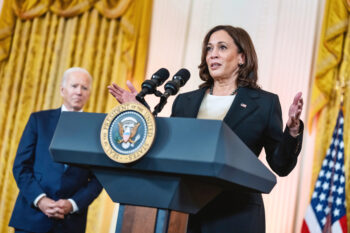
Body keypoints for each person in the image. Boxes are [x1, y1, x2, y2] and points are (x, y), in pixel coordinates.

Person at [108, 25, 304, 233]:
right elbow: (168, 145)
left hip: (236, 215)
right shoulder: (185, 101)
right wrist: (141, 113)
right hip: (185, 212)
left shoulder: (264, 103)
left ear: (242, 58)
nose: (213, 55)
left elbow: (281, 165)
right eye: (209, 49)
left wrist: (292, 130)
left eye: (222, 47)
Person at [9, 67, 103, 233]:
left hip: (70, 223)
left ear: (89, 94)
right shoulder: (39, 120)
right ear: (62, 90)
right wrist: (41, 200)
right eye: (74, 86)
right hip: (31, 218)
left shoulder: (98, 130)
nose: (79, 92)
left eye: (84, 88)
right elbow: (21, 167)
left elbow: (98, 179)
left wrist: (72, 204)